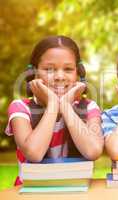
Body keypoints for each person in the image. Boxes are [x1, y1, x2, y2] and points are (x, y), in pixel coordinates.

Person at [5, 35, 104, 185]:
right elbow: (34, 153)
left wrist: (65, 106)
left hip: (76, 190)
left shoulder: (89, 107)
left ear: (78, 73)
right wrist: (52, 105)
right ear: (34, 73)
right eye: (49, 69)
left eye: (68, 69)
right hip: (31, 192)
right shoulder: (20, 108)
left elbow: (93, 151)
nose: (59, 76)